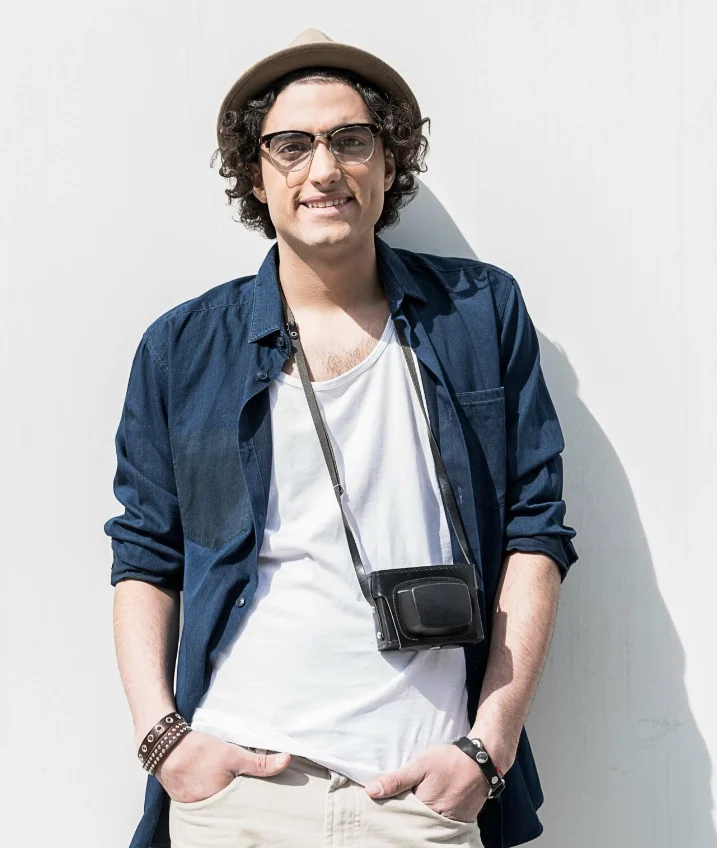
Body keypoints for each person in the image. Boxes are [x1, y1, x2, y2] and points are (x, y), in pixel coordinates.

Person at [104, 28, 578, 848]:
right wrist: (165, 741)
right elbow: (146, 551)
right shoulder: (183, 348)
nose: (323, 169)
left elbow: (535, 531)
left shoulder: (477, 315)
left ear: (387, 164)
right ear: (257, 173)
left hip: (420, 788)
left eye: (350, 140)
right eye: (291, 145)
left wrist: (488, 744)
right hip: (238, 792)